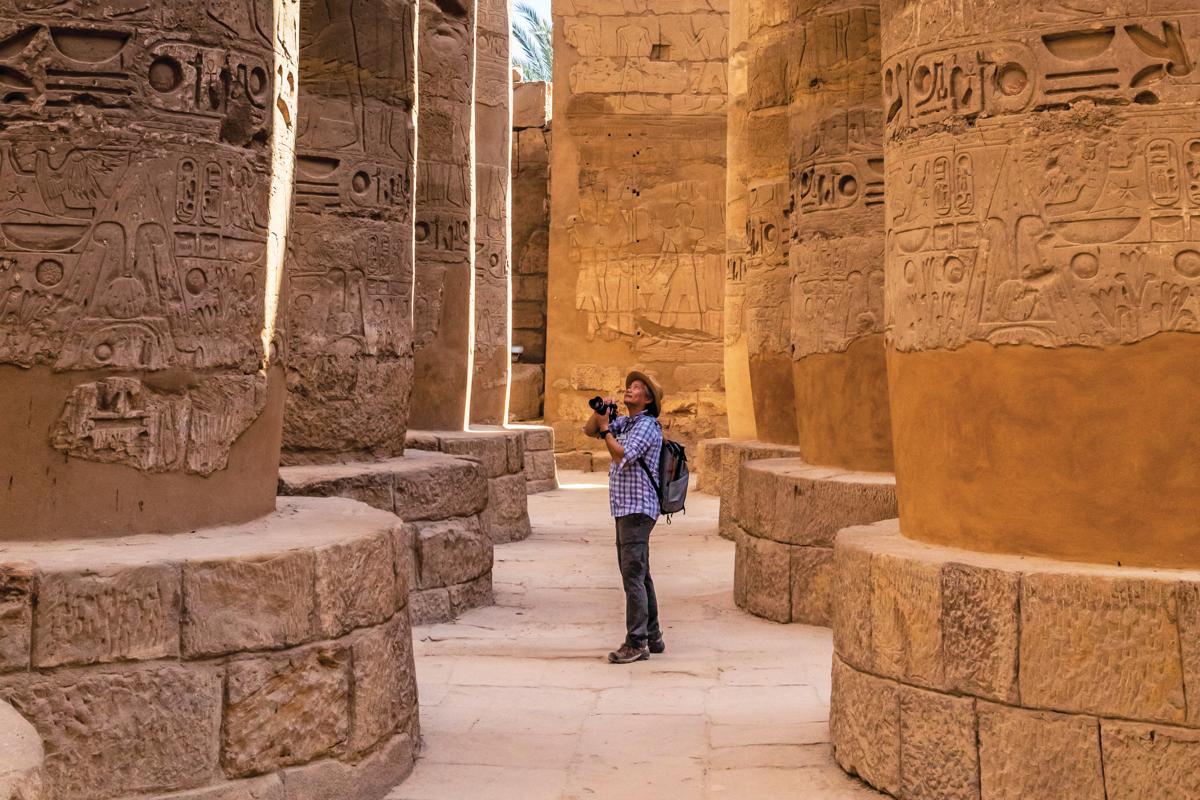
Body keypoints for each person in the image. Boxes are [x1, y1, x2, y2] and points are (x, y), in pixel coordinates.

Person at [584, 370, 665, 664]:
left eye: (637, 388)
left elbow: (622, 455)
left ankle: (636, 642)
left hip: (638, 509)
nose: (629, 390)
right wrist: (601, 416)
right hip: (625, 507)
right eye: (630, 386)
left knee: (631, 574)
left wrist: (607, 430)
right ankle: (653, 636)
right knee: (640, 572)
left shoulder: (645, 426)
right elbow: (588, 430)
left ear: (647, 399)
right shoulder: (627, 422)